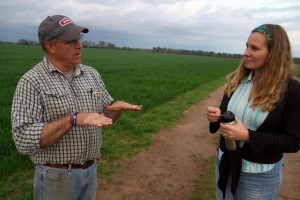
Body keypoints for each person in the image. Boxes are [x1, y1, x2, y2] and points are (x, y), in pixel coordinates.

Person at [11, 15, 142, 200]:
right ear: (50, 46)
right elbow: (23, 140)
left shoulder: (91, 74)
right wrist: (73, 119)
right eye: (71, 41)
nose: (79, 45)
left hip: (91, 171)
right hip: (57, 178)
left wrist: (115, 109)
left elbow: (107, 118)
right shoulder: (32, 82)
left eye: (79, 39)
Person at [206, 24, 300, 200]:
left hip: (259, 177)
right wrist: (215, 118)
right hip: (225, 162)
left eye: (254, 48)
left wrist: (248, 136)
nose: (246, 52)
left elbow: (293, 142)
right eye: (246, 46)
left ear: (274, 53)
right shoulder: (237, 81)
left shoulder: (292, 90)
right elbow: (225, 116)